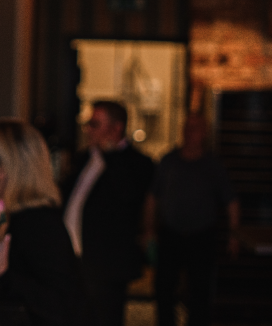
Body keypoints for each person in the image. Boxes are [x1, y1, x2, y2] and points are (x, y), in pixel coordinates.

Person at [0, 119, 84, 326]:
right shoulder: (18, 215)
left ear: (3, 169)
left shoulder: (38, 224)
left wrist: (3, 272)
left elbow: (63, 307)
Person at [61, 101, 154, 326]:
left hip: (106, 265)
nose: (88, 130)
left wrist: (111, 154)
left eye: (95, 124)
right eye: (89, 124)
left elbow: (129, 196)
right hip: (76, 258)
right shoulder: (84, 157)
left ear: (116, 128)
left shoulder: (137, 163)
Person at [145, 114, 239, 326]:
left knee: (200, 292)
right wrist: (149, 230)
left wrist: (234, 235)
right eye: (187, 127)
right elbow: (152, 197)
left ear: (204, 133)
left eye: (195, 128)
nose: (190, 132)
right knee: (164, 289)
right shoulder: (169, 161)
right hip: (171, 235)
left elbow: (231, 201)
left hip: (201, 236)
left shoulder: (213, 165)